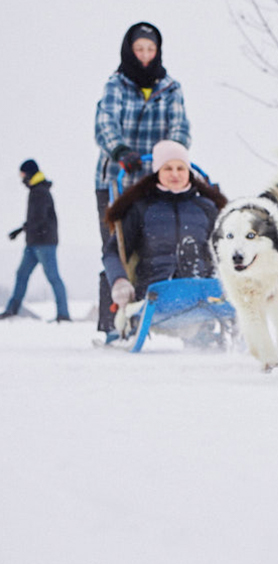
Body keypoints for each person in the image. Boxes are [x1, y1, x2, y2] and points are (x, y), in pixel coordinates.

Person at [94, 22, 190, 335]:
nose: (146, 55)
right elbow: (105, 123)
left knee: (154, 246)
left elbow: (180, 129)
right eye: (140, 49)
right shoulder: (116, 84)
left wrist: (168, 157)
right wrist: (121, 150)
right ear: (129, 50)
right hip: (117, 179)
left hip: (155, 181)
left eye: (151, 49)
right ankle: (113, 321)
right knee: (118, 246)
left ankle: (157, 314)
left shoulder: (171, 87)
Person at [102, 141, 226, 343]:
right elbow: (113, 252)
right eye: (168, 168)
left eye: (180, 168)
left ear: (189, 171)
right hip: (155, 294)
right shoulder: (142, 208)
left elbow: (224, 252)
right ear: (157, 172)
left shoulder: (207, 208)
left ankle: (205, 327)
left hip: (202, 294)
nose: (175, 174)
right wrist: (119, 281)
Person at [1, 160, 70, 322]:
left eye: (23, 174)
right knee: (22, 274)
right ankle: (12, 309)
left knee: (53, 277)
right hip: (33, 242)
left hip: (44, 242)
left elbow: (38, 218)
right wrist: (22, 230)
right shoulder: (37, 190)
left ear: (29, 173)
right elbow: (35, 219)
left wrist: (22, 230)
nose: (21, 178)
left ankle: (63, 314)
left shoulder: (40, 192)